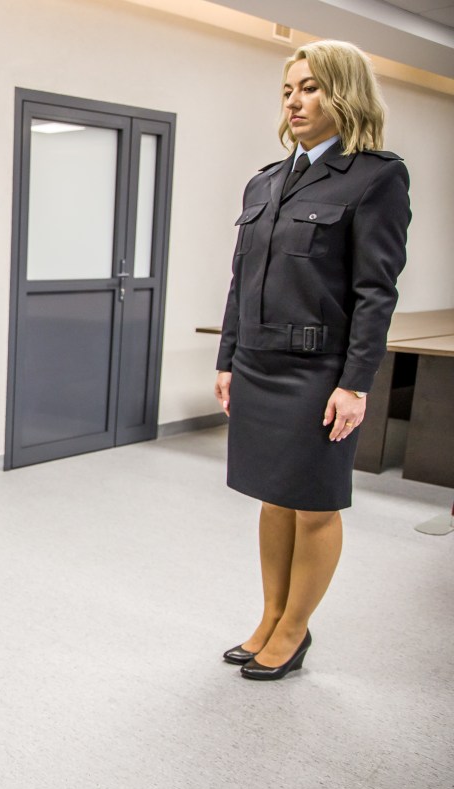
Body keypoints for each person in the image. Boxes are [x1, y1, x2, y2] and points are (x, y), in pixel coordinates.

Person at [214, 41, 410, 680]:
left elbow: (375, 292)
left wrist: (356, 384)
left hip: (317, 372)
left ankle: (295, 631)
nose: (295, 102)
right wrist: (227, 357)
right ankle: (270, 617)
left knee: (315, 504)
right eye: (289, 90)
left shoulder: (375, 177)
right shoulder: (265, 181)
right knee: (273, 497)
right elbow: (241, 280)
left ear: (344, 93)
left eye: (311, 88)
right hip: (258, 364)